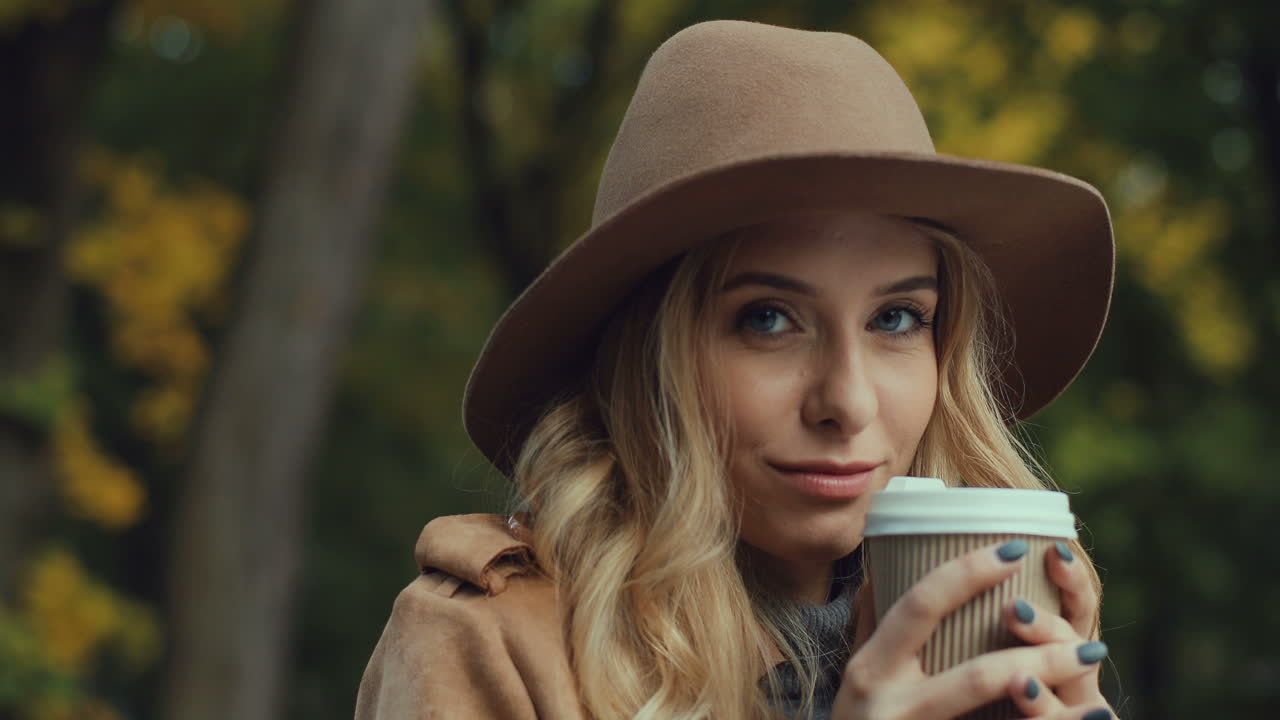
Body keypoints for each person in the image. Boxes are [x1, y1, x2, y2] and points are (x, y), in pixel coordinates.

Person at [355, 19, 1118, 720]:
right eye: (768, 319)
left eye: (896, 318)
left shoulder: (992, 634)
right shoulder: (485, 641)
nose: (848, 402)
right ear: (647, 357)